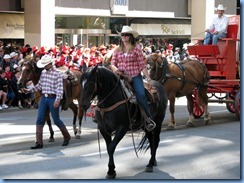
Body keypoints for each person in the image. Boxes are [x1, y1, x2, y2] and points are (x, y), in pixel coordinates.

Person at [110, 25, 156, 132]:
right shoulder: (117, 49)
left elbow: (141, 65)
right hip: (120, 75)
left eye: (126, 35)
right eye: (122, 35)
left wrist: (148, 78)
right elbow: (112, 63)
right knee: (109, 90)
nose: (124, 37)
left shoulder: (136, 49)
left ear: (130, 37)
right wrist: (115, 69)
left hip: (134, 76)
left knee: (140, 94)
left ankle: (148, 119)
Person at [24, 54, 71, 149]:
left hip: (52, 98)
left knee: (56, 120)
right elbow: (39, 86)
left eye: (45, 65)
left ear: (50, 64)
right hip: (44, 98)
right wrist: (30, 90)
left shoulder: (57, 74)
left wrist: (57, 100)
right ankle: (39, 142)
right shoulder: (43, 73)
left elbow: (59, 89)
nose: (44, 67)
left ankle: (67, 137)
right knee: (40, 119)